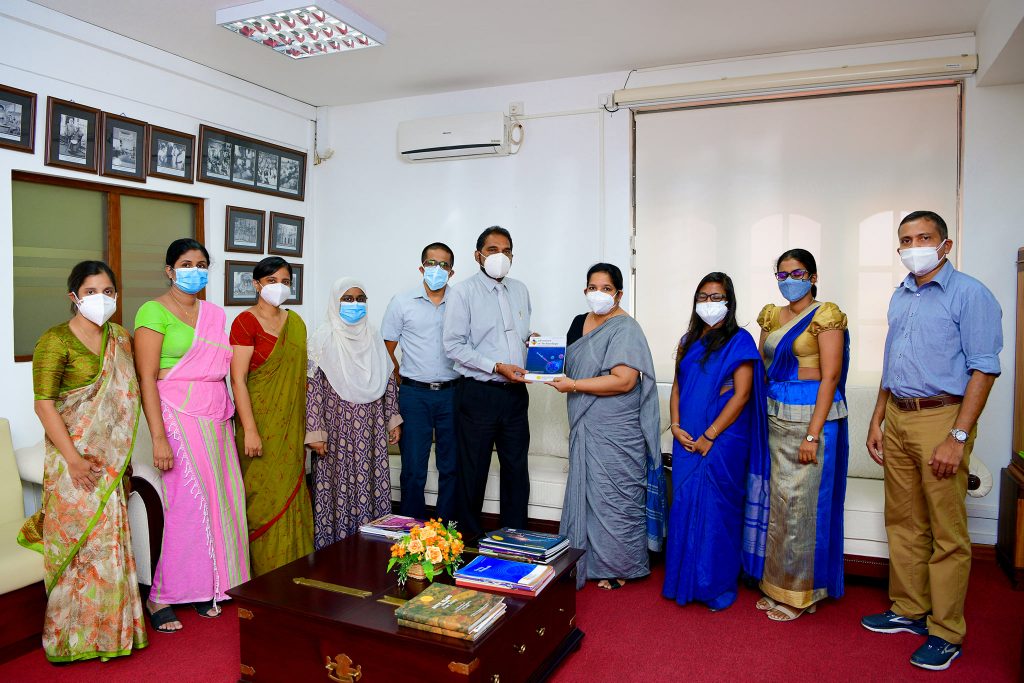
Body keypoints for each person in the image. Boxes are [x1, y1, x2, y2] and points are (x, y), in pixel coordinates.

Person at [861, 211, 1001, 671]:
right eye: (906, 239)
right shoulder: (900, 295)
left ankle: (946, 631)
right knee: (903, 521)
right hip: (899, 414)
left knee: (947, 531)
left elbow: (984, 369)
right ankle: (909, 609)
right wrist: (877, 419)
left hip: (942, 417)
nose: (914, 246)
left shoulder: (970, 294)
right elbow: (892, 362)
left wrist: (957, 437)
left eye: (924, 237)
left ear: (945, 244)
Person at [18, 261, 147, 662]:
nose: (101, 299)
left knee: (109, 547)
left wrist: (121, 461)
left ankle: (111, 634)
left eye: (108, 291)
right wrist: (73, 460)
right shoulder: (55, 340)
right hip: (71, 462)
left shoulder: (120, 339)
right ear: (73, 297)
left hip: (109, 463)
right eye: (91, 292)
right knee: (79, 545)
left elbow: (126, 401)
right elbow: (44, 405)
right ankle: (72, 640)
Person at [134, 239, 250, 632]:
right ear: (169, 270)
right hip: (175, 413)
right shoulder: (153, 311)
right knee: (188, 502)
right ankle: (161, 595)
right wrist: (158, 437)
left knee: (221, 498)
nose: (194, 271)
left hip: (215, 413)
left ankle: (208, 585)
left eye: (201, 265)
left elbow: (223, 370)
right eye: (186, 264)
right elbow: (146, 378)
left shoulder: (214, 314)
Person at [547, 263, 667, 590]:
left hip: (618, 425)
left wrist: (573, 385)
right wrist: (541, 354)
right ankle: (585, 559)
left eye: (606, 288)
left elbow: (624, 380)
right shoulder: (578, 323)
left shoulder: (626, 328)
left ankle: (621, 565)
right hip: (585, 420)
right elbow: (566, 365)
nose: (597, 294)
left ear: (619, 293)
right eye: (592, 287)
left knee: (617, 496)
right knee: (589, 495)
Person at [662, 272, 770, 610]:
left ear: (729, 302)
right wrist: (675, 425)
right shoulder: (687, 340)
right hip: (686, 437)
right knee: (683, 505)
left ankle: (714, 585)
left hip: (723, 439)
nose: (709, 303)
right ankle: (683, 582)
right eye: (703, 297)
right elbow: (677, 387)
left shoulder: (739, 341)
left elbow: (742, 395)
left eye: (716, 297)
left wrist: (711, 435)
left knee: (716, 512)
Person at [755, 249, 850, 622]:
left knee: (802, 507)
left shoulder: (826, 315)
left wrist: (812, 435)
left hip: (812, 417)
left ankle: (802, 593)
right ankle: (776, 585)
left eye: (797, 274)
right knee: (778, 506)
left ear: (812, 277)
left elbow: (831, 376)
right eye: (782, 275)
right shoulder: (771, 315)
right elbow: (762, 367)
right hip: (774, 413)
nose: (789, 281)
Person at [442, 226, 532, 539]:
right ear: (478, 255)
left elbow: (518, 336)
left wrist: (532, 344)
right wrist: (495, 366)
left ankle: (515, 540)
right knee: (473, 471)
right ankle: (468, 542)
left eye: (506, 251)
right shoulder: (462, 292)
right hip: (479, 393)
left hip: (515, 394)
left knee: (516, 470)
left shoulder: (520, 290)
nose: (500, 256)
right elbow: (453, 345)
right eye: (493, 250)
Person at [229, 256, 314, 576]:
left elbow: (301, 379)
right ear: (256, 285)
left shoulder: (296, 323)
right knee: (262, 500)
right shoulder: (245, 323)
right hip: (258, 425)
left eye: (285, 281)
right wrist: (250, 430)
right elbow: (238, 379)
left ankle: (296, 569)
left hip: (290, 427)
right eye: (271, 281)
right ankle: (263, 576)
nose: (279, 287)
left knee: (292, 493)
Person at [306, 277, 402, 548]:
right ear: (335, 302)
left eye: (361, 299)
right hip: (335, 428)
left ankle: (372, 549)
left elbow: (388, 379)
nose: (355, 304)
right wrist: (315, 432)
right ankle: (335, 551)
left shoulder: (373, 336)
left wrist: (393, 420)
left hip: (371, 428)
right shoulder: (322, 338)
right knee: (337, 488)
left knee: (371, 483)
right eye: (347, 299)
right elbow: (312, 388)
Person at [382, 243, 460, 522]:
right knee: (414, 467)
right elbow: (386, 349)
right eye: (431, 263)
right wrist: (399, 376)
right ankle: (411, 530)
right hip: (414, 395)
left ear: (451, 272)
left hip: (453, 394)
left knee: (451, 466)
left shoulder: (462, 302)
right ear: (421, 268)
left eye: (444, 265)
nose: (437, 269)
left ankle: (447, 530)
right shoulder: (402, 302)